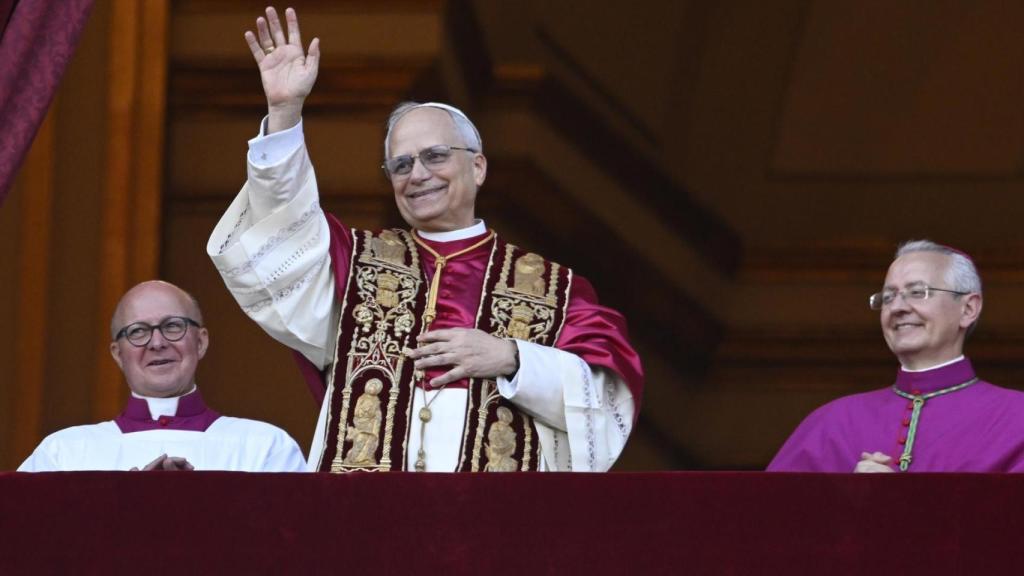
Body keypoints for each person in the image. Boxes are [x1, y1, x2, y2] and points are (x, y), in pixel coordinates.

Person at [207, 7, 643, 472]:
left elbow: (607, 399)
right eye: (401, 164)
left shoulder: (556, 289)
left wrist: (514, 357)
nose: (417, 175)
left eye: (435, 156)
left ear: (478, 166)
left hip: (492, 529)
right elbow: (283, 226)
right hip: (366, 523)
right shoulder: (352, 265)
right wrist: (284, 113)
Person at [768, 240, 1024, 473]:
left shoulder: (1017, 418)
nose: (898, 308)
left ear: (968, 309)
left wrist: (898, 501)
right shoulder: (831, 422)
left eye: (917, 292)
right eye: (888, 297)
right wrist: (845, 499)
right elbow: (767, 518)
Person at [18, 280, 306, 472]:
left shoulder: (265, 448)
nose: (157, 343)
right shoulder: (63, 454)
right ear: (118, 354)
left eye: (172, 326)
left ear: (201, 342)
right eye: (138, 331)